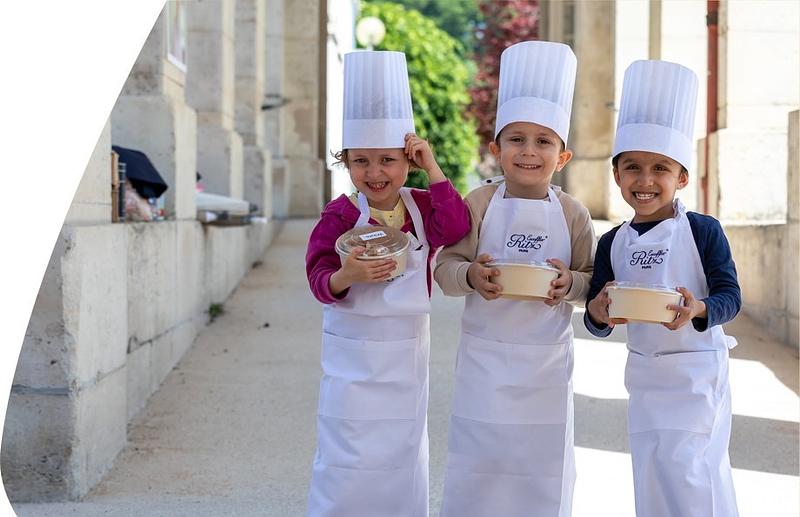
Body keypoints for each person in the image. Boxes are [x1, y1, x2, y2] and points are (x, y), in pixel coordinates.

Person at [305, 50, 471, 517]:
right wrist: (346, 275)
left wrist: (434, 168)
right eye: (361, 162)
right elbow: (317, 278)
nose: (375, 174)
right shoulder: (338, 216)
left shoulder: (422, 208)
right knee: (348, 455)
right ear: (347, 163)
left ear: (408, 160)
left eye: (389, 160)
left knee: (399, 456)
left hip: (404, 359)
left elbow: (456, 227)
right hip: (353, 360)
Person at [433, 41, 595, 517]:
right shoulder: (479, 203)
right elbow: (444, 270)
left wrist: (571, 286)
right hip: (485, 358)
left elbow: (591, 281)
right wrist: (472, 275)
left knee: (541, 466)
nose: (529, 151)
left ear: (562, 157)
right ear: (495, 150)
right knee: (480, 461)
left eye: (543, 141)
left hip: (546, 363)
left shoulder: (574, 214)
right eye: (516, 139)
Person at [584, 59, 741, 517]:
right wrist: (597, 311)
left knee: (693, 474)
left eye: (660, 169)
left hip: (696, 376)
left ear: (682, 177)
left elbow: (731, 297)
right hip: (645, 376)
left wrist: (697, 309)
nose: (645, 180)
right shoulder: (612, 241)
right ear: (617, 176)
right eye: (632, 167)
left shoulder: (703, 230)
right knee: (652, 472)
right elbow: (597, 315)